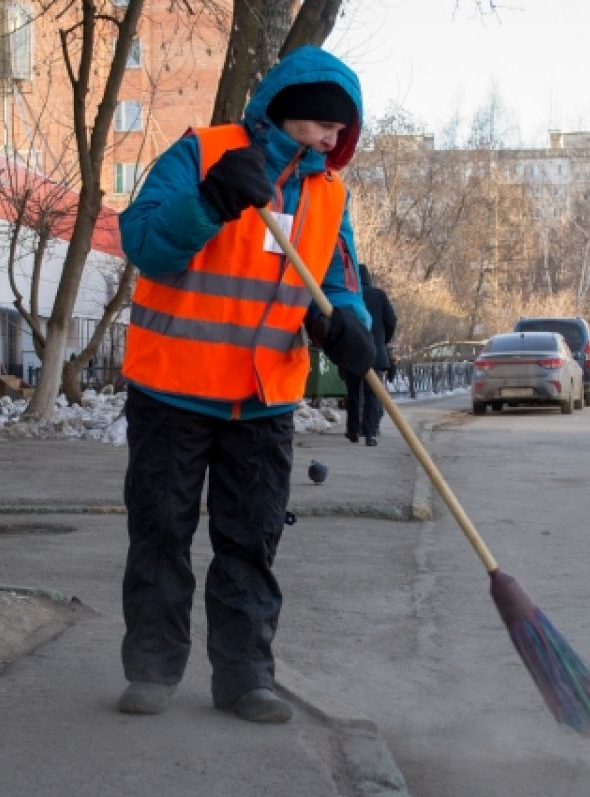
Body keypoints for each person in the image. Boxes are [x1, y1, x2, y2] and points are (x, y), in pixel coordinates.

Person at [115, 46, 374, 725]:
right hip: (174, 390)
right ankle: (152, 667)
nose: (334, 139)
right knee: (160, 535)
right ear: (293, 111)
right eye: (326, 125)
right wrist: (210, 202)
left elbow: (339, 280)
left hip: (264, 401)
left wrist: (349, 326)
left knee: (250, 544)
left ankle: (246, 677)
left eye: (341, 131)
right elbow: (143, 242)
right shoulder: (204, 153)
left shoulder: (329, 194)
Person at [341, 264, 397, 447]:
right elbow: (391, 321)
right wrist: (383, 340)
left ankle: (353, 432)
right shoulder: (379, 295)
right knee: (372, 394)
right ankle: (370, 433)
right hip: (376, 353)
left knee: (353, 393)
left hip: (352, 352)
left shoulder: (348, 296)